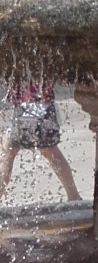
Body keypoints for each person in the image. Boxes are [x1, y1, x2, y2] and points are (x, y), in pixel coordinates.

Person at [0, 72, 80, 203]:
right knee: (50, 152)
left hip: (33, 105)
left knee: (9, 152)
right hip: (40, 104)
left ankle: (74, 196)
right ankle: (73, 196)